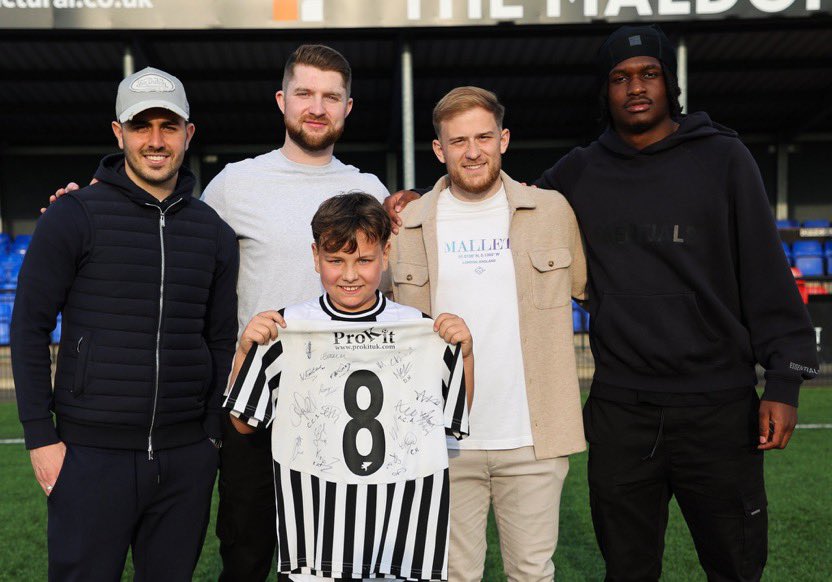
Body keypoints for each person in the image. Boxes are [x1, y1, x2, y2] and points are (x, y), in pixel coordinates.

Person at [51, 44, 389, 581]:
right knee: (247, 556)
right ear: (282, 101)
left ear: (349, 106)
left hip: (342, 412)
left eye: (331, 96)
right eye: (304, 93)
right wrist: (87, 203)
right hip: (252, 411)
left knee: (334, 561)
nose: (317, 107)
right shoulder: (235, 184)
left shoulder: (370, 190)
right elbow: (167, 234)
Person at [532, 25, 819, 581]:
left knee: (736, 567)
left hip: (719, 411)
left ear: (670, 84)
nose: (635, 87)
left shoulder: (725, 158)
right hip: (622, 413)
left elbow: (765, 274)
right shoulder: (580, 170)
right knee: (629, 571)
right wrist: (426, 198)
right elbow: (505, 207)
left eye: (648, 74)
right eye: (620, 78)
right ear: (605, 91)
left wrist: (783, 383)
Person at [11, 67, 238, 581]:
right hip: (90, 458)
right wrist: (40, 438)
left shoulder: (214, 233)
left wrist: (210, 438)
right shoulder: (72, 216)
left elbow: (220, 338)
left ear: (188, 134)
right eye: (142, 126)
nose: (155, 141)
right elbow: (28, 327)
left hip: (186, 459)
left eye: (168, 126)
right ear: (119, 132)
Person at [224, 192, 474, 582]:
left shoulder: (422, 329)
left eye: (364, 260)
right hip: (315, 536)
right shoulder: (284, 329)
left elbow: (453, 416)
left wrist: (465, 355)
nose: (350, 274)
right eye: (335, 261)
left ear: (386, 254)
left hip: (401, 535)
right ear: (315, 256)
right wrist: (245, 354)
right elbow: (243, 424)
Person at [390, 86, 587, 581]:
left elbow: (590, 290)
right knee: (454, 575)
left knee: (532, 573)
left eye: (483, 137)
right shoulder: (407, 225)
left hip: (532, 440)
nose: (472, 151)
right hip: (442, 440)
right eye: (458, 141)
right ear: (439, 150)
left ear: (503, 140)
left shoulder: (552, 211)